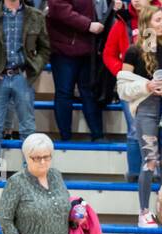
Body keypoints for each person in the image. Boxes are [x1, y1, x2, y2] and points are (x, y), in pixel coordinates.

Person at [118, 4, 162, 226]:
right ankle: (144, 212)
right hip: (146, 109)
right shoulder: (133, 51)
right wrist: (147, 87)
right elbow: (123, 86)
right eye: (158, 20)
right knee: (150, 160)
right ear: (146, 23)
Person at [103, 0, 162, 184]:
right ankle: (136, 175)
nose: (136, 1)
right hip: (137, 90)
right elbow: (109, 54)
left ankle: (157, 176)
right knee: (135, 130)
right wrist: (126, 75)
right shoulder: (122, 22)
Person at [0, 0, 49, 178]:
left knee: (28, 129)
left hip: (22, 76)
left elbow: (45, 48)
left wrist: (34, 68)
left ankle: (29, 172)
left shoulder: (35, 16)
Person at [0, 134, 72, 234]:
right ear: (26, 157)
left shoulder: (56, 175)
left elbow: (63, 204)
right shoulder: (16, 182)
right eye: (37, 158)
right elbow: (5, 220)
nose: (43, 161)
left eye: (46, 157)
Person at [46, 0, 108, 142]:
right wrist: (88, 25)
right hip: (64, 49)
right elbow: (60, 10)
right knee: (64, 93)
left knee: (89, 92)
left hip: (87, 48)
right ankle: (66, 138)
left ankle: (97, 134)